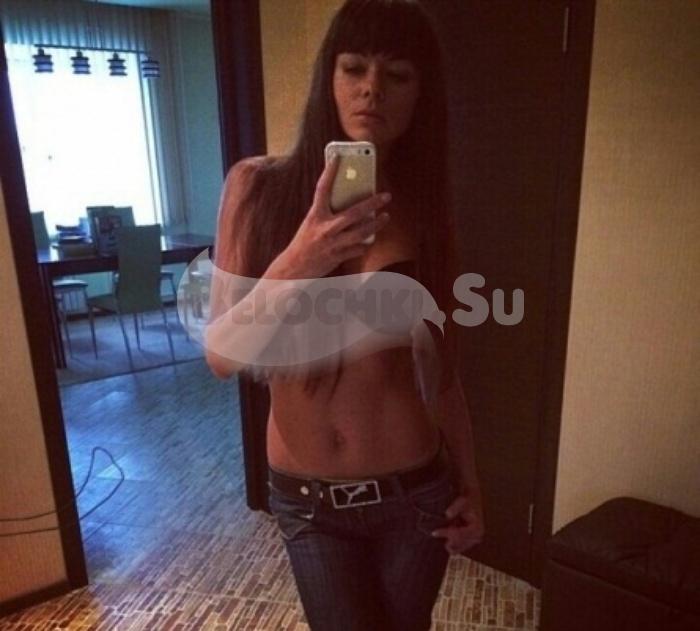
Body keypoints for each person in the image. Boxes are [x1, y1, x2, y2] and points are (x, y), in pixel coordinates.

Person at [205, 1, 484, 629]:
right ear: (328, 78)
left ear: (421, 94)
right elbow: (222, 354)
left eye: (397, 75)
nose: (371, 89)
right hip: (308, 504)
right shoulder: (255, 187)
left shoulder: (424, 211)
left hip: (416, 492)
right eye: (354, 67)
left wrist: (472, 486)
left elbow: (444, 373)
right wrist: (303, 255)